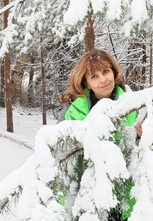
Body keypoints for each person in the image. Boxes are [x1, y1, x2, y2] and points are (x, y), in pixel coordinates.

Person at [58, 48, 143, 220]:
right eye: (94, 76)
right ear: (87, 83)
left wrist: (142, 136)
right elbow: (63, 156)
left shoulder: (134, 103)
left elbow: (142, 153)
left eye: (105, 71)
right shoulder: (72, 111)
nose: (103, 80)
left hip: (126, 194)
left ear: (113, 71)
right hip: (88, 196)